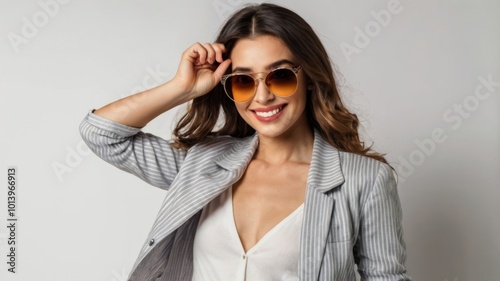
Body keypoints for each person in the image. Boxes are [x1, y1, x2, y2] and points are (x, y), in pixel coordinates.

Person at [80, 3, 411, 281]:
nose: (262, 96)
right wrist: (182, 88)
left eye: (280, 75)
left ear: (309, 78)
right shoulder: (201, 164)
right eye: (243, 81)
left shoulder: (364, 180)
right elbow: (102, 134)